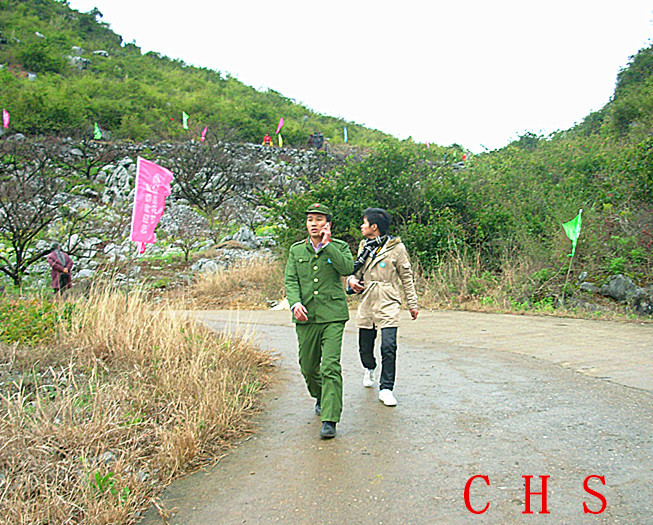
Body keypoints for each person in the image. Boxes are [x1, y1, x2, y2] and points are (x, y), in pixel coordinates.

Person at [284, 203, 354, 439]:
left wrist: (328, 245)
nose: (314, 224)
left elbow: (346, 268)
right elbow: (291, 280)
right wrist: (295, 303)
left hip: (333, 315)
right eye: (310, 220)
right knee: (308, 366)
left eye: (319, 219)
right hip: (306, 317)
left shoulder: (339, 247)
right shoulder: (296, 250)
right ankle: (321, 396)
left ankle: (330, 419)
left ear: (328, 224)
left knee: (330, 366)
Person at [347, 208, 418, 407]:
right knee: (365, 347)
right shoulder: (364, 245)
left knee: (389, 346)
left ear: (374, 227)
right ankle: (369, 367)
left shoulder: (397, 248)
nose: (362, 226)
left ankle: (386, 388)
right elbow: (356, 271)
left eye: (364, 223)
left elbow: (406, 277)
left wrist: (412, 304)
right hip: (368, 299)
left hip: (389, 300)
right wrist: (352, 280)